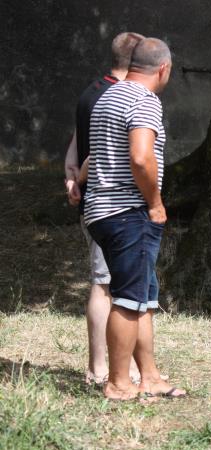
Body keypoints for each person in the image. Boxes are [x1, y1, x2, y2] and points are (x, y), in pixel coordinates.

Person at [84, 37, 185, 400]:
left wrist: (78, 181)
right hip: (129, 213)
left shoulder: (107, 96)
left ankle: (151, 377)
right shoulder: (145, 101)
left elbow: (95, 154)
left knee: (142, 296)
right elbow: (141, 158)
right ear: (164, 69)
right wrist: (155, 203)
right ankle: (118, 383)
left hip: (101, 212)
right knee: (128, 299)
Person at [63, 32, 144, 386]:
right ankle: (100, 368)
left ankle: (119, 367)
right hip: (110, 204)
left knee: (109, 283)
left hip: (94, 203)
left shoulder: (90, 92)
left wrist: (68, 174)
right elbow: (99, 152)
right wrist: (79, 179)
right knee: (105, 286)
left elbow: (76, 142)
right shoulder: (120, 96)